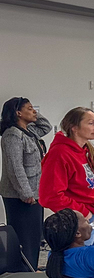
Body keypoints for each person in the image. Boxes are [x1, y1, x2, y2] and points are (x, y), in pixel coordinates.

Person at [39, 107, 94, 227]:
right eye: (91, 123)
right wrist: (86, 215)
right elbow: (50, 197)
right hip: (82, 220)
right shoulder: (60, 153)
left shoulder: (86, 150)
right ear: (74, 128)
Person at [1, 97, 51, 268]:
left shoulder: (29, 132)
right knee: (25, 237)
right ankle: (23, 271)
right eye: (29, 108)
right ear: (18, 113)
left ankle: (31, 268)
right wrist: (25, 193)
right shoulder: (12, 135)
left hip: (35, 192)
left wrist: (35, 111)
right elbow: (15, 168)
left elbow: (46, 126)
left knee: (34, 236)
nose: (34, 111)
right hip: (20, 196)